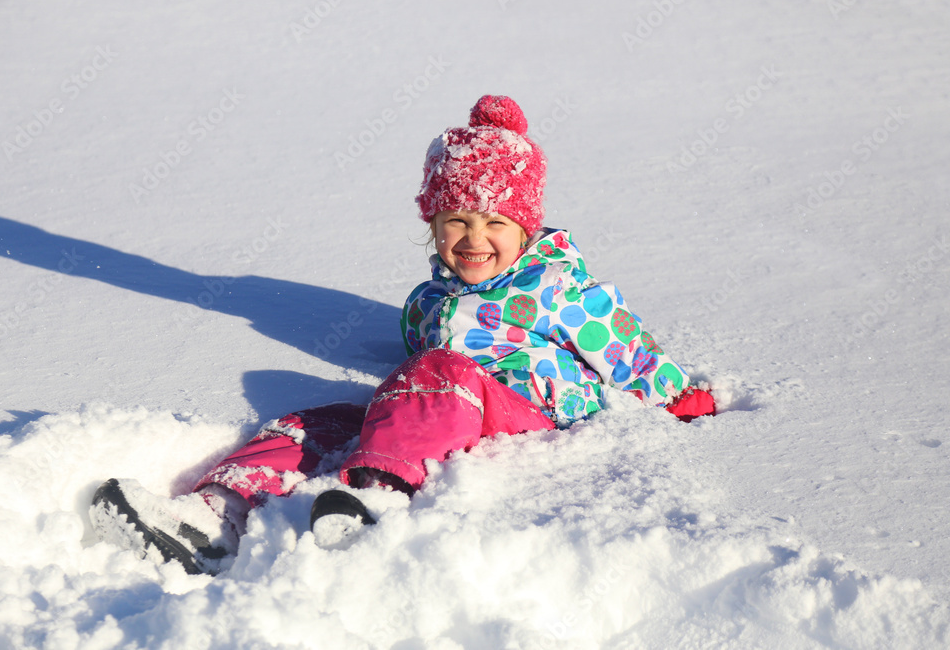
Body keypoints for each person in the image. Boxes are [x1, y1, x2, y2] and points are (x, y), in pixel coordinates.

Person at [89, 95, 716, 575]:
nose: (475, 238)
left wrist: (679, 395)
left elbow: (624, 345)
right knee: (323, 420)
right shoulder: (430, 300)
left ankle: (378, 499)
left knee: (437, 376)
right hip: (443, 406)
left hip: (528, 411)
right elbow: (422, 349)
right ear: (433, 223)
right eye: (456, 220)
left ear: (526, 226)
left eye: (496, 220)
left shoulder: (557, 286)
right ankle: (214, 513)